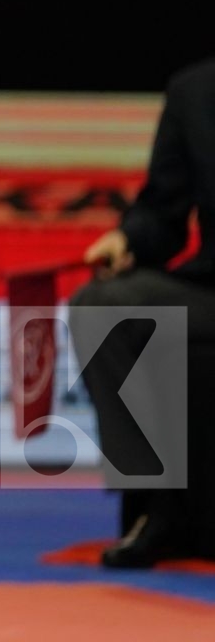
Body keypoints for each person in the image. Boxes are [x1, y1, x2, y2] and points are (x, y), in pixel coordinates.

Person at [70, 58, 215, 568]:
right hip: (209, 293)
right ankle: (158, 501)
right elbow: (162, 213)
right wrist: (128, 238)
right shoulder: (195, 91)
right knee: (100, 304)